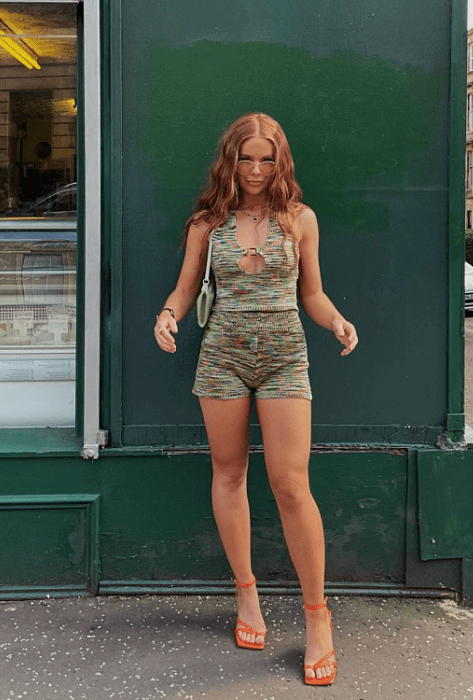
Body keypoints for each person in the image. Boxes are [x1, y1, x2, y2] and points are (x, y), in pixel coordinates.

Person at [153, 113, 358, 686]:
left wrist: (337, 321)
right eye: (247, 158)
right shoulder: (207, 223)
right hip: (222, 358)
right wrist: (168, 314)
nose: (258, 170)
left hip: (285, 358)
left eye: (268, 159)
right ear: (231, 159)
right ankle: (247, 595)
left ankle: (318, 619)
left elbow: (311, 293)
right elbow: (185, 287)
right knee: (230, 472)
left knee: (292, 485)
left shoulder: (299, 220)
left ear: (280, 161)